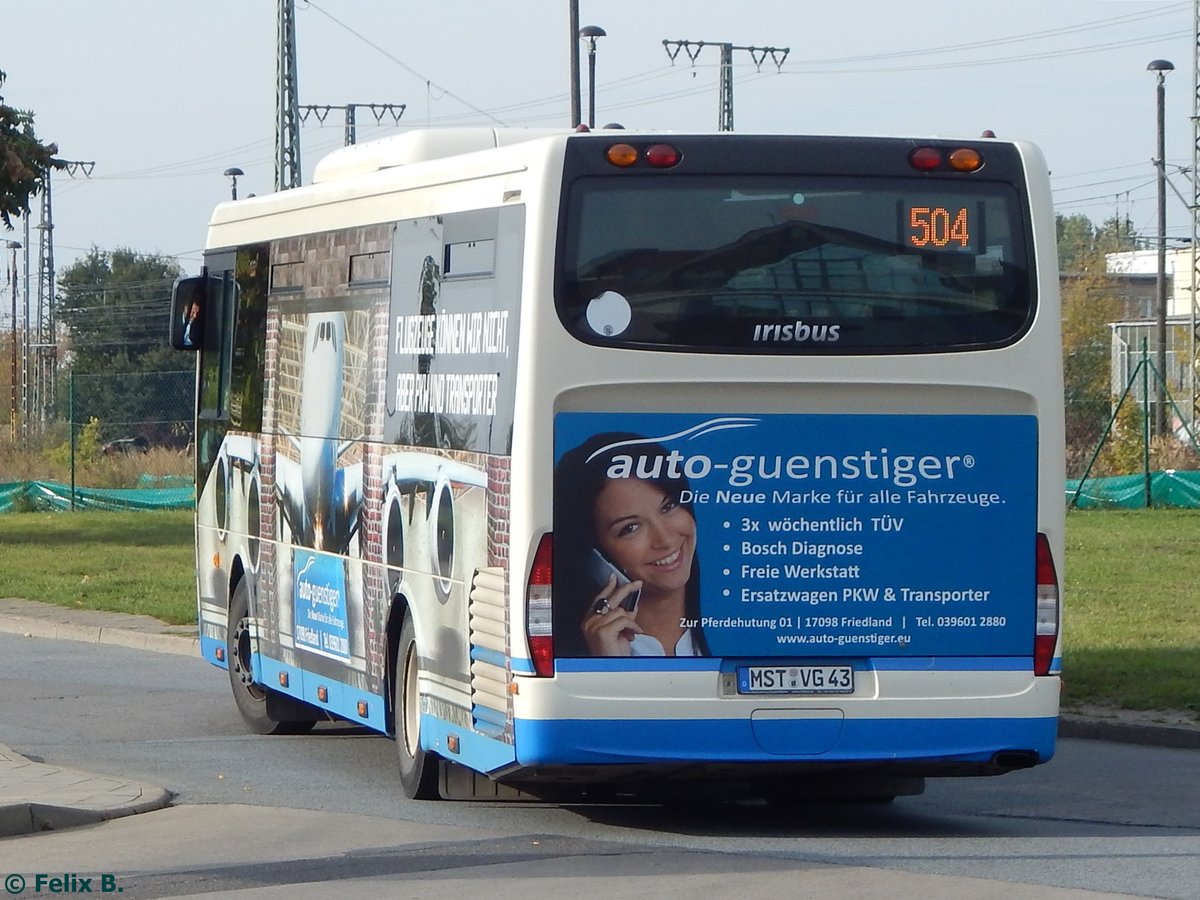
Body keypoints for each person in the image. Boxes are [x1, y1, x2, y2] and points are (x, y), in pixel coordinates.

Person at [553, 432, 709, 657]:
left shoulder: (740, 628)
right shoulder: (585, 655)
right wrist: (608, 666)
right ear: (594, 556)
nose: (665, 539)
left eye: (669, 506)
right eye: (630, 528)